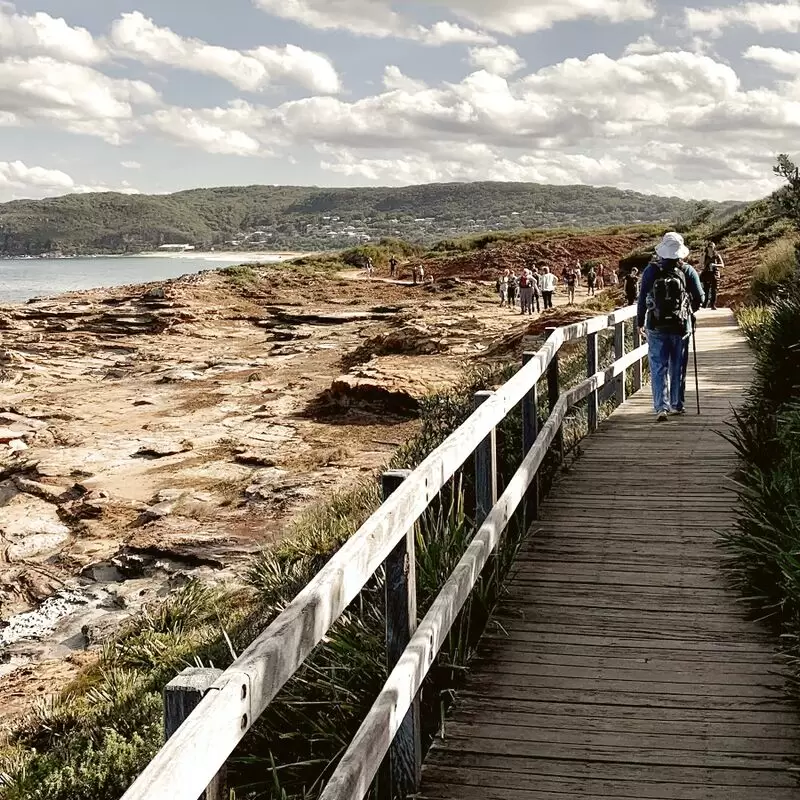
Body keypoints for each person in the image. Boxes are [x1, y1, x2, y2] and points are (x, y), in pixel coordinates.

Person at [637, 232, 704, 422]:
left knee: (658, 365)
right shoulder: (687, 270)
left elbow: (642, 299)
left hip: (656, 325)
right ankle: (677, 404)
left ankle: (661, 407)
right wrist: (690, 310)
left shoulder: (651, 270)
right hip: (681, 325)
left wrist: (640, 322)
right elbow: (701, 298)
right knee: (678, 365)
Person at [700, 242, 723, 310]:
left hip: (714, 273)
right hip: (706, 273)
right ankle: (705, 304)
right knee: (706, 289)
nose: (711, 248)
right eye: (710, 247)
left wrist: (714, 265)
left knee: (714, 290)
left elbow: (722, 265)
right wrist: (703, 256)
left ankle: (713, 305)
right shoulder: (705, 255)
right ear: (707, 247)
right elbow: (701, 264)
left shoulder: (717, 255)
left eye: (712, 247)